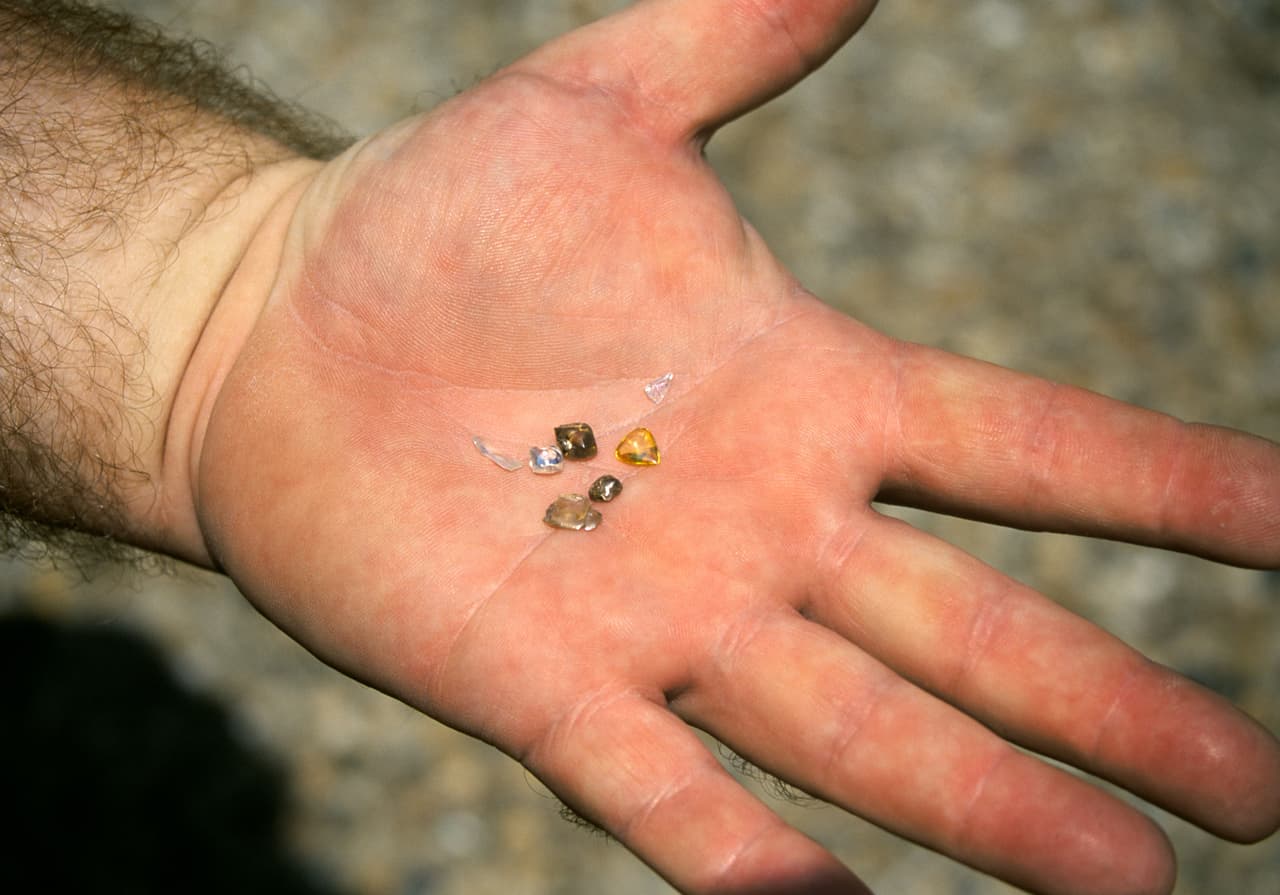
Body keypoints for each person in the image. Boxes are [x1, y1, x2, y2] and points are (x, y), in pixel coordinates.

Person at [2, 1, 1277, 893]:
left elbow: (597, 464)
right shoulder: (586, 459)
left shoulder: (602, 457)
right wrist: (208, 305)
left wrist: (202, 286)